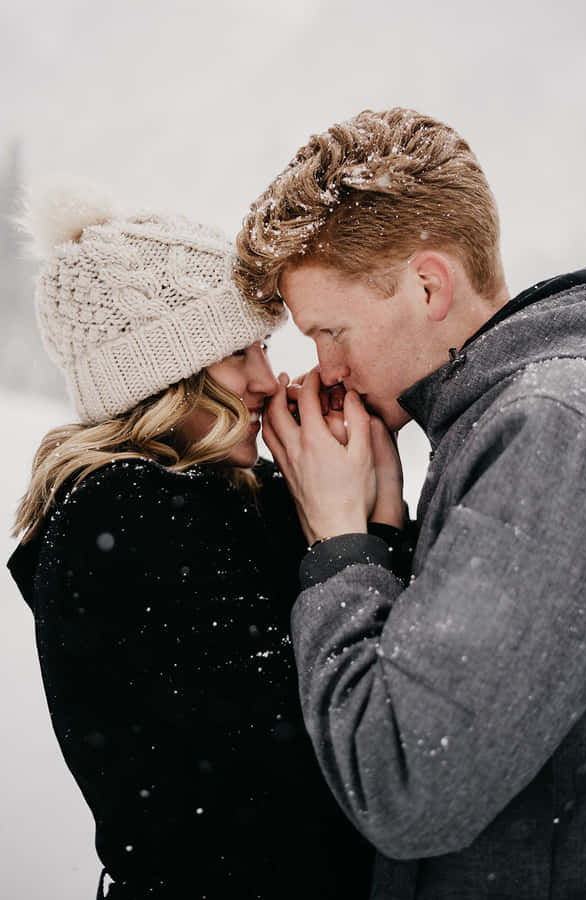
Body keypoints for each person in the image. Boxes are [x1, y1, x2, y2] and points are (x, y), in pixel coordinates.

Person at [235, 107, 586, 899]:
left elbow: (407, 783)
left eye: (330, 331)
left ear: (427, 283)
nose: (324, 370)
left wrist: (338, 544)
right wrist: (384, 520)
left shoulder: (552, 428)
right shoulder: (519, 415)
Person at [7, 186, 377, 899]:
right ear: (164, 377)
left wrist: (358, 489)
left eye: (263, 346)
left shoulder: (217, 502)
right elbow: (313, 750)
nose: (268, 380)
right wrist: (355, 530)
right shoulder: (130, 512)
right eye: (237, 352)